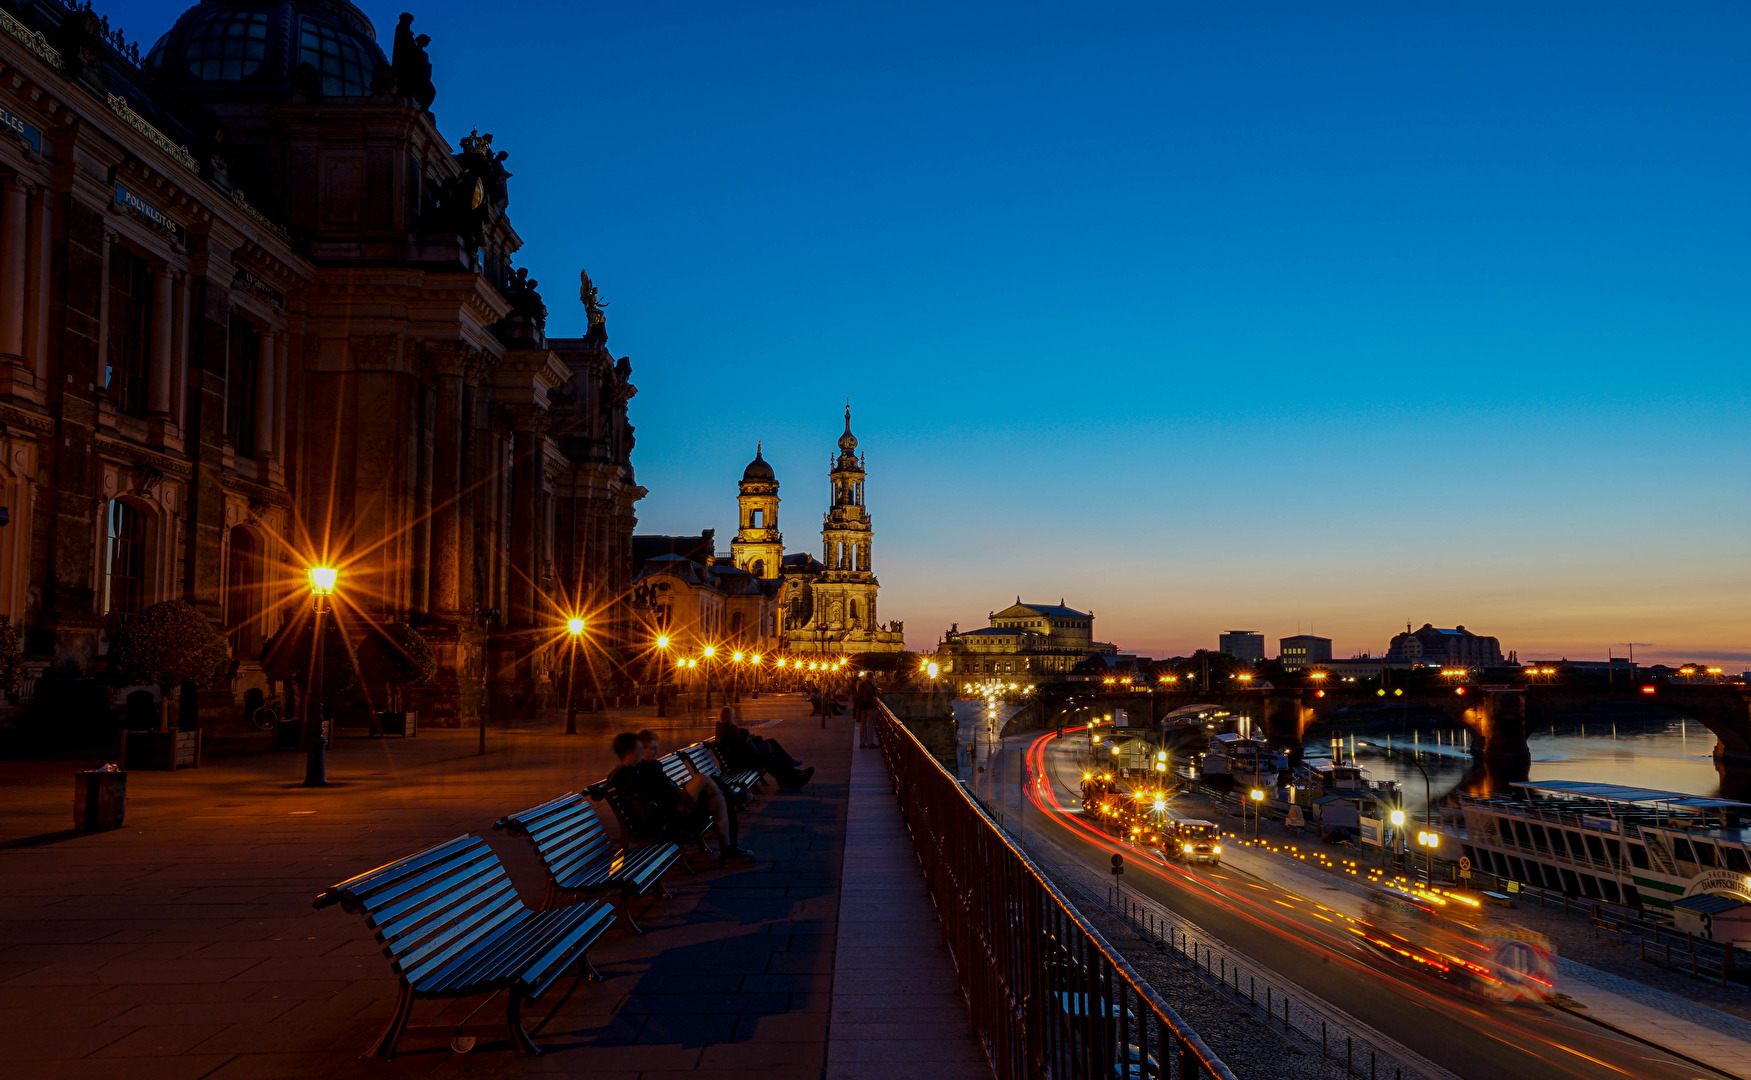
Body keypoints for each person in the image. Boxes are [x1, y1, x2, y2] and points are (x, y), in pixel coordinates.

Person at [607, 731, 753, 866]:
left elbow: (661, 789)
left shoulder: (640, 767)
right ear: (629, 751)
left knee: (718, 800)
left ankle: (727, 851)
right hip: (668, 816)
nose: (641, 752)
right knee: (701, 779)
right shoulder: (626, 774)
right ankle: (734, 798)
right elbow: (648, 802)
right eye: (640, 749)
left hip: (673, 806)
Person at [716, 707, 813, 790]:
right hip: (741, 762)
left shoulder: (724, 727)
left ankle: (792, 776)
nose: (734, 717)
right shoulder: (727, 729)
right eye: (732, 716)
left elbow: (737, 744)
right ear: (729, 716)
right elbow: (738, 747)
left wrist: (747, 738)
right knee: (771, 758)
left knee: (771, 752)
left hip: (743, 757)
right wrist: (748, 738)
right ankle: (795, 776)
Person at [853, 676, 880, 748]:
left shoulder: (862, 685)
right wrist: (873, 705)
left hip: (862, 707)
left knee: (863, 725)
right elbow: (870, 697)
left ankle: (862, 743)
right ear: (870, 677)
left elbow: (858, 696)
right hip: (869, 707)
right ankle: (870, 743)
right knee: (870, 725)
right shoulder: (869, 686)